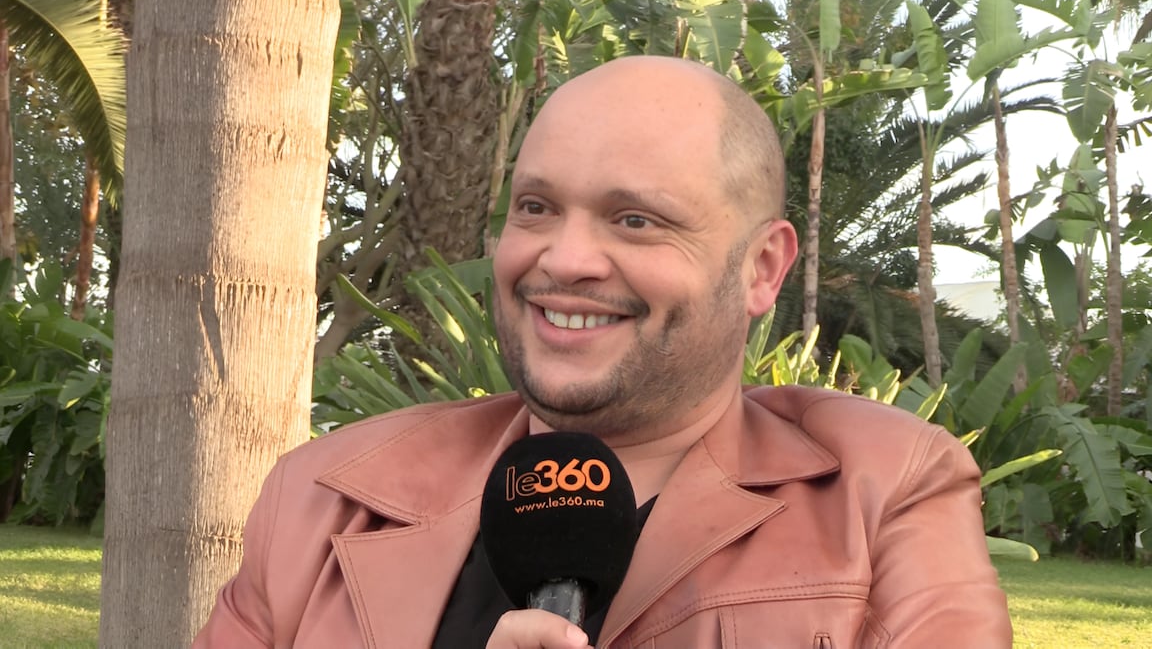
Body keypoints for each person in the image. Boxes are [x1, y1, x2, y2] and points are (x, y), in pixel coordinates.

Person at [194, 56, 1013, 648]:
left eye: (635, 220)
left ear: (763, 268)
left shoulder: (882, 493)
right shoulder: (325, 500)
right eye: (536, 207)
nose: (565, 259)